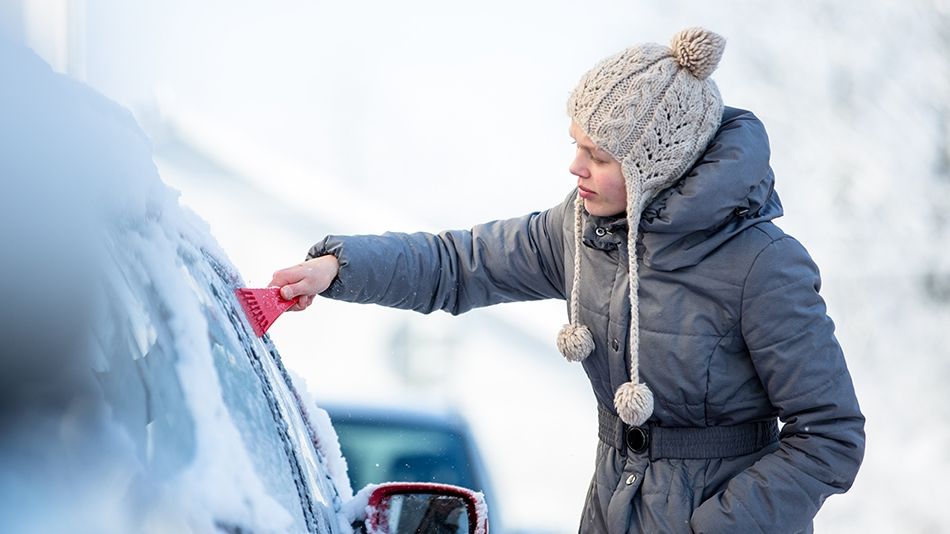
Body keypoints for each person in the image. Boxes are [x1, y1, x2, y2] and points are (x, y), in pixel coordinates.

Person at [270, 27, 865, 533]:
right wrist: (337, 269)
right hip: (609, 510)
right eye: (576, 145)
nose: (575, 168)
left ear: (656, 166)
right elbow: (457, 264)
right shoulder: (581, 232)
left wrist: (711, 527)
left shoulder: (762, 265)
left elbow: (830, 436)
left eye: (599, 156)